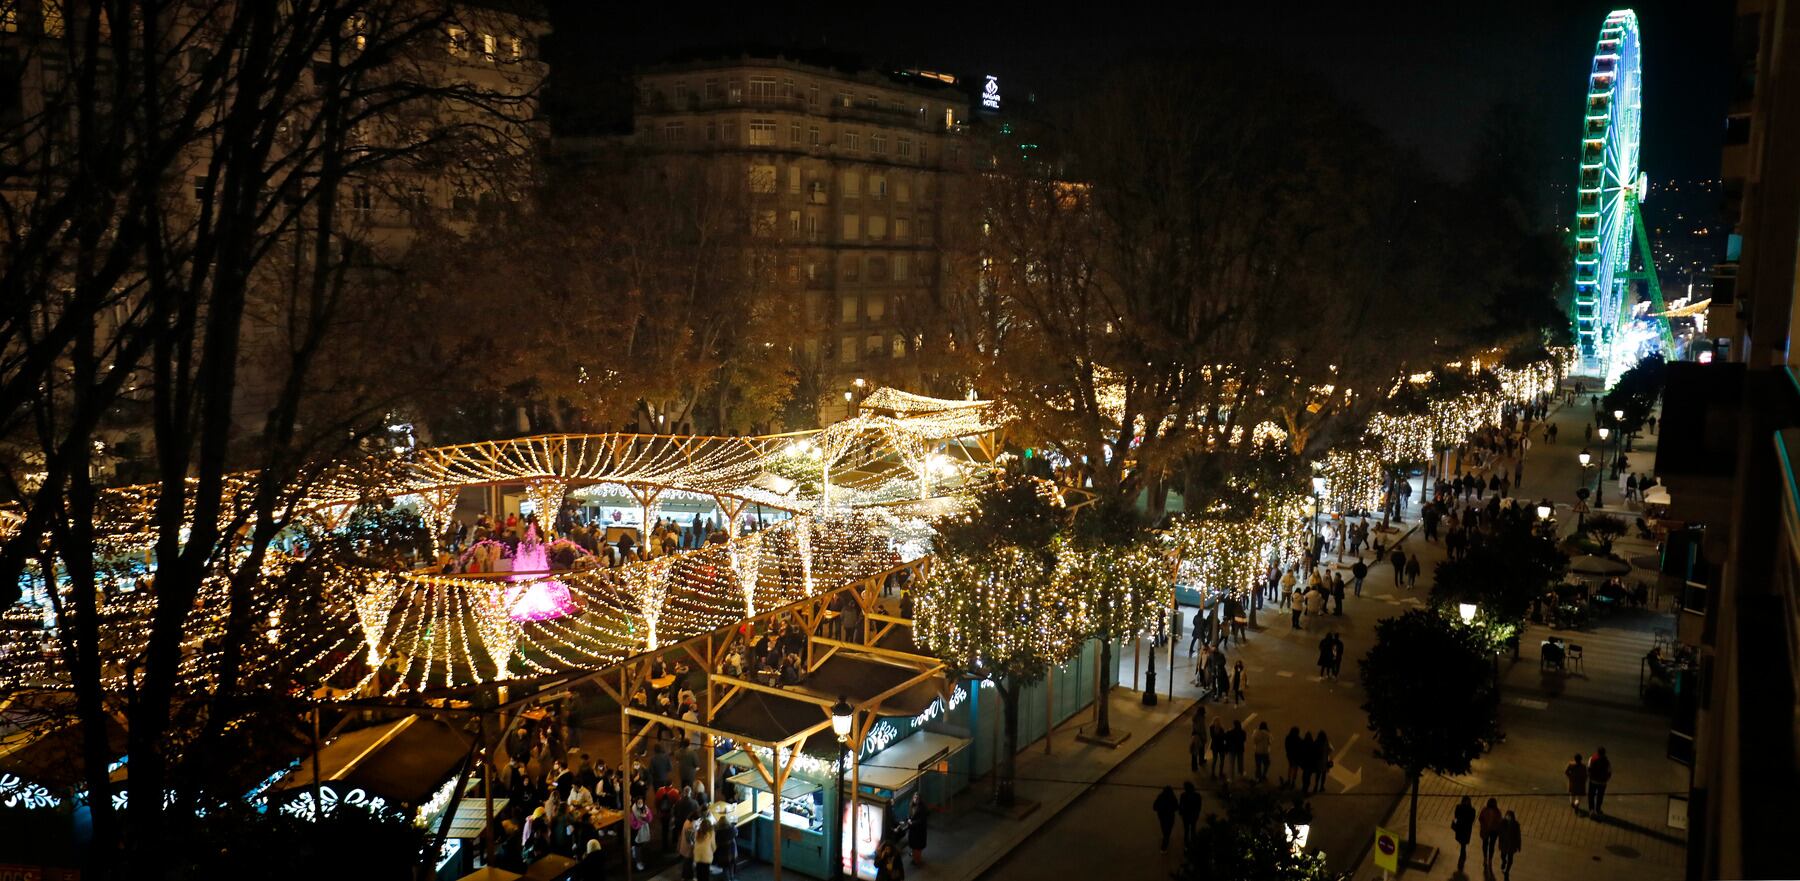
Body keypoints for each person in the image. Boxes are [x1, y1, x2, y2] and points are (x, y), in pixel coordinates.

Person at [1452, 795, 1477, 869]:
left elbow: (1456, 815)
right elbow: (1472, 819)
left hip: (1461, 827)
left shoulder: (1459, 807)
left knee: (1462, 842)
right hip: (1466, 828)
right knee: (1463, 842)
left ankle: (1462, 855)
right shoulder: (1472, 810)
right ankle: (1463, 854)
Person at [1153, 785, 1179, 852]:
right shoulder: (1173, 798)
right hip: (1170, 817)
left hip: (1162, 816)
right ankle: (1164, 844)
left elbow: (1155, 806)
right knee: (1168, 830)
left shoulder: (1160, 797)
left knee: (1164, 829)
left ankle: (1165, 842)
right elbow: (1176, 807)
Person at [1478, 797, 1503, 866]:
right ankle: (1486, 858)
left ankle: (1489, 859)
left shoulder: (1495, 811)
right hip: (1487, 830)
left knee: (1491, 845)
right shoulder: (1493, 811)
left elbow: (1499, 821)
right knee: (1486, 845)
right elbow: (1480, 818)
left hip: (1493, 831)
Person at [1499, 810, 1523, 880]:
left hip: (1512, 845)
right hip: (1504, 844)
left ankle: (1507, 871)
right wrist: (1500, 843)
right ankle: (1504, 861)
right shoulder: (1503, 822)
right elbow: (1500, 834)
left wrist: (1519, 845)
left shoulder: (1516, 825)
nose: (1508, 817)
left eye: (1509, 816)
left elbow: (1518, 836)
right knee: (1502, 855)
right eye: (1507, 815)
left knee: (1510, 859)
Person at [1587, 746, 1612, 815]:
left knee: (1591, 795)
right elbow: (1609, 772)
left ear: (1597, 752)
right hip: (1602, 782)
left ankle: (1591, 810)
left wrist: (1590, 777)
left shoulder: (1592, 759)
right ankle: (1598, 809)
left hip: (1593, 781)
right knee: (1600, 796)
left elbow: (1589, 769)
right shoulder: (1607, 761)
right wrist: (1606, 780)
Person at [692, 817, 715, 881]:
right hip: (706, 856)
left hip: (697, 855)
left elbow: (694, 842)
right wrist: (713, 851)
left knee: (699, 872)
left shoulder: (697, 832)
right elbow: (713, 846)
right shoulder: (711, 833)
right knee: (706, 873)